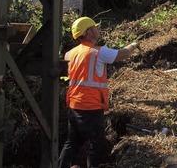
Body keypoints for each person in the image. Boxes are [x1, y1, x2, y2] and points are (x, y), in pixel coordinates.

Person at [59, 17, 139, 168]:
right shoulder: (99, 52)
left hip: (74, 105)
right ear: (88, 32)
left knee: (71, 142)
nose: (98, 29)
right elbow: (122, 54)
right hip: (91, 106)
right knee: (94, 146)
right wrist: (133, 45)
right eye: (95, 27)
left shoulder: (70, 54)